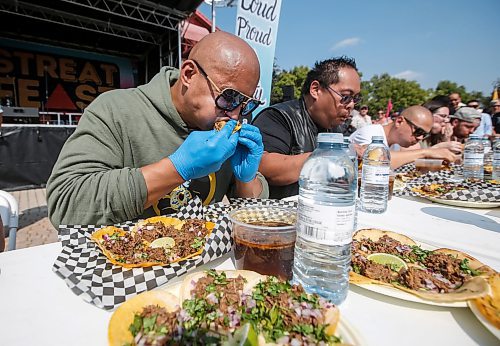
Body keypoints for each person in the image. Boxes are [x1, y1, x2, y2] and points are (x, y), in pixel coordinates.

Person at [47, 32, 267, 226]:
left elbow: (253, 219)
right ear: (189, 74)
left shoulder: (228, 126)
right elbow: (65, 205)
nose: (236, 113)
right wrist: (176, 169)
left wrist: (245, 180)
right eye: (230, 96)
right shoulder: (116, 110)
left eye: (246, 103)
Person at [252, 56, 361, 199]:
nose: (351, 105)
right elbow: (264, 168)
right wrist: (329, 155)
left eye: (356, 99)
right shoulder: (278, 117)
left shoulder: (335, 127)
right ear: (315, 89)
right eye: (346, 96)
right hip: (278, 215)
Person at [350, 105, 458, 169]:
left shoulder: (395, 144)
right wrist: (427, 152)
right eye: (418, 131)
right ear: (399, 121)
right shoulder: (370, 133)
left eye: (425, 134)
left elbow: (411, 161)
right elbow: (375, 162)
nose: (420, 137)